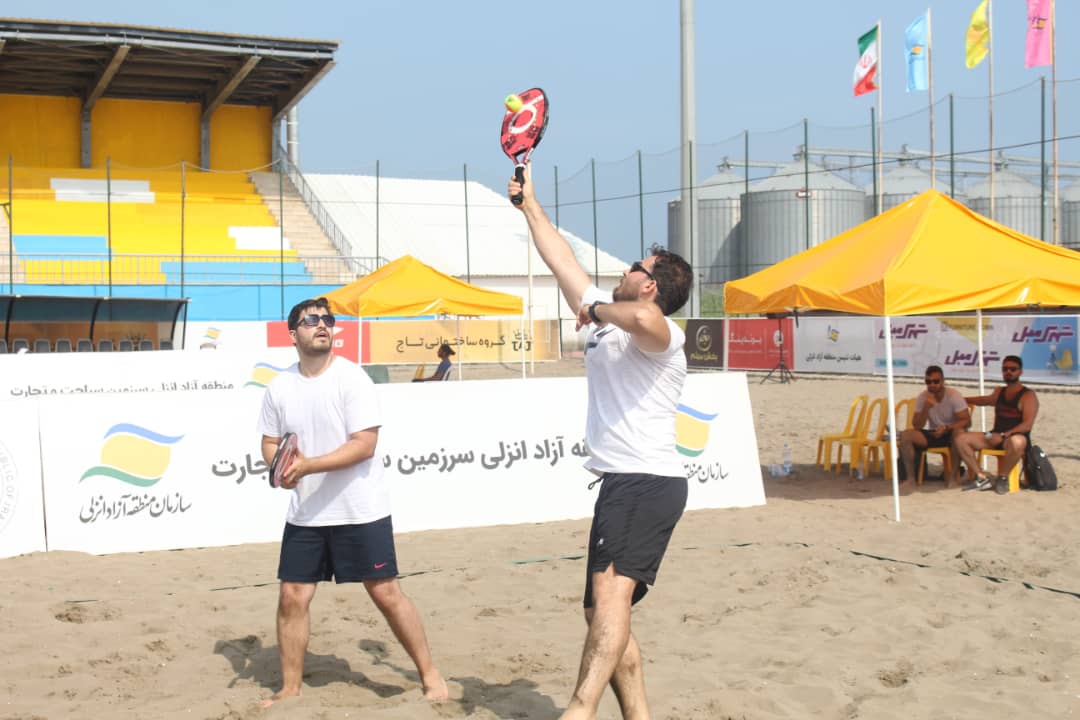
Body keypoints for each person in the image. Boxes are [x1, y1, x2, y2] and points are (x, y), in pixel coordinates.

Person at [508, 164, 694, 720]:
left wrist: (593, 310)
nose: (626, 268)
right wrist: (529, 204)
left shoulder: (662, 332)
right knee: (600, 613)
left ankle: (579, 710)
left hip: (645, 480)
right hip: (622, 482)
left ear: (650, 284)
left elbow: (641, 318)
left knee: (611, 597)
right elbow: (560, 257)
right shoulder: (609, 318)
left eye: (636, 266)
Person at [256, 297, 447, 707]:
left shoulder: (352, 378)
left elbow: (364, 445)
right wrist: (280, 468)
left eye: (327, 319)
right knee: (292, 595)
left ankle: (431, 676)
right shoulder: (279, 386)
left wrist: (307, 466)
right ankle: (290, 688)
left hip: (360, 509)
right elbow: (270, 442)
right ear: (293, 334)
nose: (322, 324)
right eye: (311, 320)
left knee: (385, 593)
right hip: (306, 512)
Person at [954, 355, 1040, 493]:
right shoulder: (1000, 391)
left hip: (1012, 438)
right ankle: (982, 477)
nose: (1008, 372)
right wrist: (963, 399)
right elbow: (986, 400)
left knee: (1018, 441)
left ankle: (1003, 477)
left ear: (1020, 372)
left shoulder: (1028, 395)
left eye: (1013, 369)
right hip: (993, 436)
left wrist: (1004, 435)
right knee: (960, 439)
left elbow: (1027, 425)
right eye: (1005, 369)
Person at [898, 365, 970, 488]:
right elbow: (917, 425)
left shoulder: (953, 395)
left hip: (951, 432)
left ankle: (953, 477)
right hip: (934, 433)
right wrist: (926, 408)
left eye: (936, 381)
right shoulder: (923, 397)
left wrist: (946, 428)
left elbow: (967, 421)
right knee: (906, 435)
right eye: (928, 382)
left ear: (943, 381)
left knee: (958, 434)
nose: (932, 385)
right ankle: (910, 478)